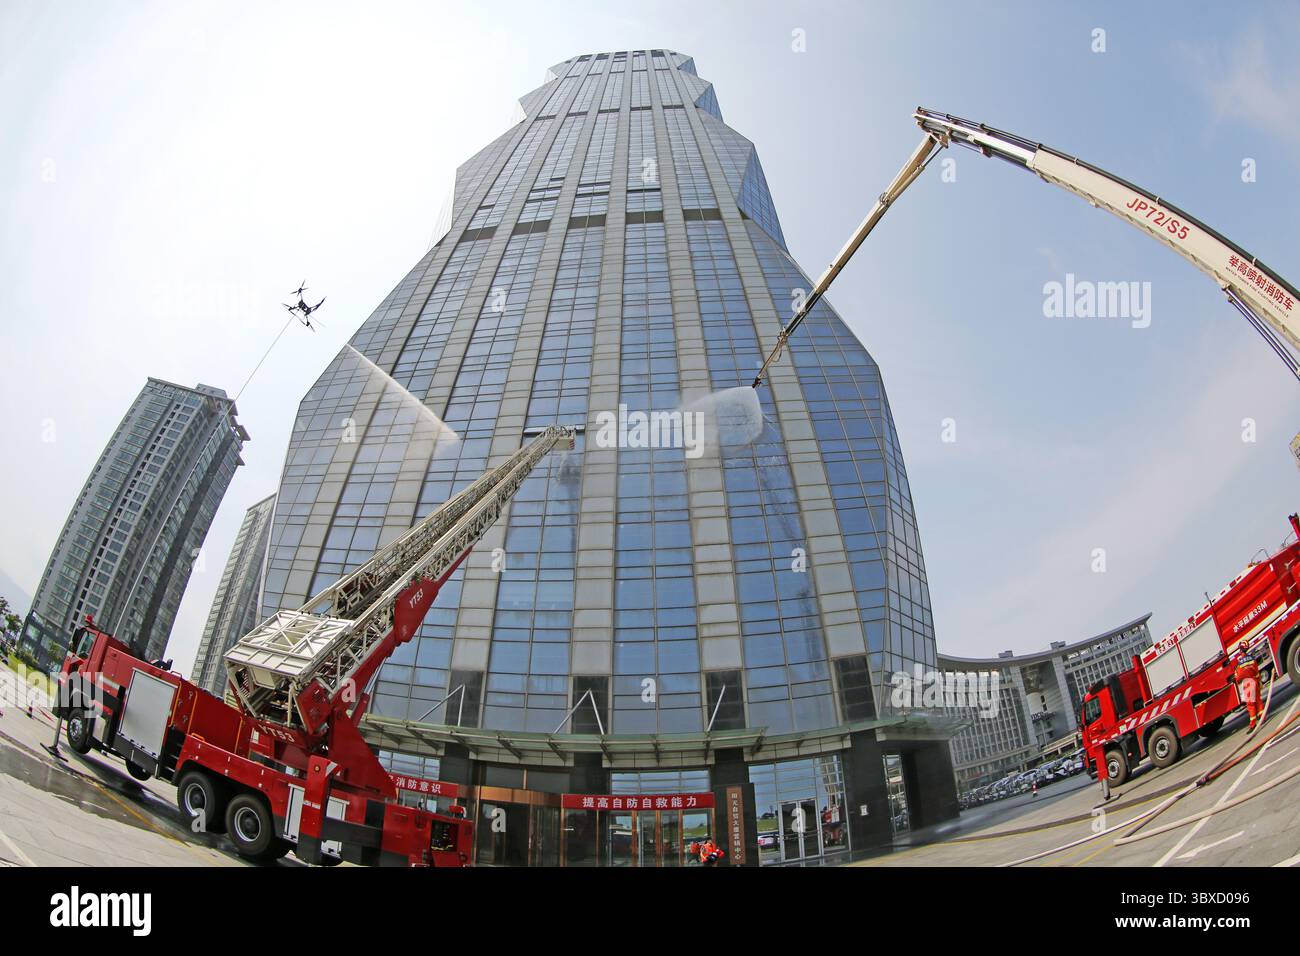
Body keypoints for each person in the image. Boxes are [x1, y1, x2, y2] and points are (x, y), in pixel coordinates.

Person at [1234, 655, 1263, 732]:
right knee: (1258, 700)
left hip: (1247, 683)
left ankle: (1253, 724)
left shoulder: (1240, 663)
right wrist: (1259, 681)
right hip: (1254, 680)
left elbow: (1238, 677)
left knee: (1250, 704)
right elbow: (1256, 671)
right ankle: (1261, 716)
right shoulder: (1252, 659)